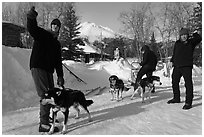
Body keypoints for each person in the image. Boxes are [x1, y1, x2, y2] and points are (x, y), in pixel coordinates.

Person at [27, 6, 65, 132]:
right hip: (38, 67)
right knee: (45, 95)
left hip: (48, 70)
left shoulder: (56, 44)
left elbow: (58, 62)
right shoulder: (43, 34)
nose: (55, 27)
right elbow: (32, 29)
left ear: (59, 28)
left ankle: (46, 117)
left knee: (51, 94)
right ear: (51, 26)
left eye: (57, 25)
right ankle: (43, 124)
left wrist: (60, 76)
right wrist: (31, 18)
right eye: (53, 25)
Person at [167, 28, 201, 110]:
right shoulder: (177, 43)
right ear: (180, 36)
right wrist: (171, 61)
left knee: (188, 84)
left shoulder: (191, 42)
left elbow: (199, 38)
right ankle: (176, 98)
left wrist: (195, 34)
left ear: (187, 35)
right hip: (177, 66)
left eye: (185, 35)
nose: (184, 36)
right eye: (182, 35)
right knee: (174, 82)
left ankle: (188, 102)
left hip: (186, 66)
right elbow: (175, 53)